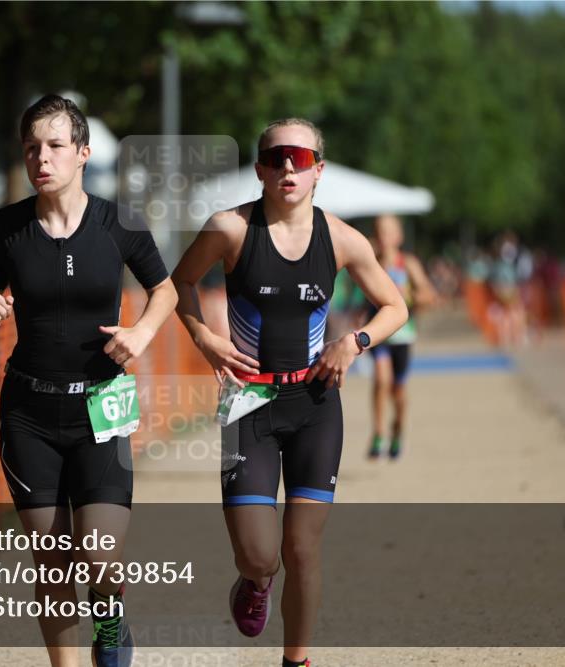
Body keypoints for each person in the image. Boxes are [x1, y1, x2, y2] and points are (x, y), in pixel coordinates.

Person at [170, 118, 407, 667]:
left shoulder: (344, 239)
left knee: (302, 549)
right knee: (260, 554)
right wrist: (204, 337)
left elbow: (396, 306)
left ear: (319, 170)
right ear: (259, 169)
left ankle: (295, 661)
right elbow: (179, 283)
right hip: (245, 401)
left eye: (300, 158)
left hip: (315, 401)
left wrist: (356, 341)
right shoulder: (229, 229)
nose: (287, 168)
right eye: (275, 158)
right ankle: (254, 581)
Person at [0, 94, 177, 667]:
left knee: (102, 556)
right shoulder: (5, 228)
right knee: (53, 566)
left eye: (56, 146)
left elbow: (167, 290)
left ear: (82, 153)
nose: (42, 158)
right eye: (32, 147)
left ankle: (110, 622)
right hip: (28, 415)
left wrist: (141, 334)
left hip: (100, 409)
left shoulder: (119, 223)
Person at [364, 214, 437, 459]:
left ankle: (398, 429)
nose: (383, 237)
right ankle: (378, 433)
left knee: (398, 390)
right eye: (379, 231)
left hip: (403, 336)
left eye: (388, 231)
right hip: (379, 333)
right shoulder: (370, 263)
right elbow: (359, 295)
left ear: (399, 236)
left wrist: (410, 296)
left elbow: (429, 295)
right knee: (382, 379)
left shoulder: (408, 264)